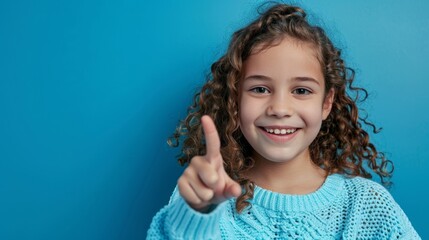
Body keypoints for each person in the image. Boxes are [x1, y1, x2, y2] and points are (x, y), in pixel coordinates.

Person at [147, 3, 420, 239]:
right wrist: (194, 216)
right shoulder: (205, 201)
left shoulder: (365, 206)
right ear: (235, 99)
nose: (279, 108)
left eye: (301, 91)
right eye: (260, 89)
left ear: (326, 103)